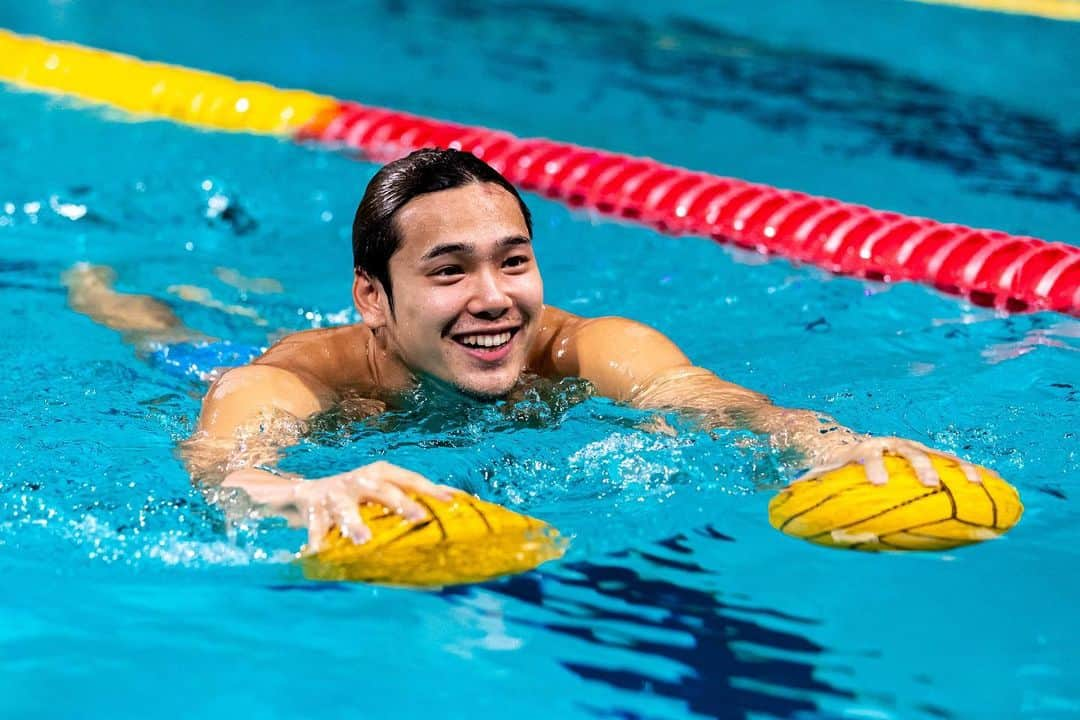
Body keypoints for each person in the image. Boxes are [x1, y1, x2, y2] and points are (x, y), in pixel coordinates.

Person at [65, 148, 980, 552]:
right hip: (222, 360)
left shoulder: (583, 348)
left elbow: (713, 401)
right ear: (373, 298)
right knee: (168, 338)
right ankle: (96, 280)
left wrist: (824, 442)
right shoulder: (304, 376)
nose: (496, 298)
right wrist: (305, 489)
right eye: (450, 270)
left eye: (514, 261)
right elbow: (222, 467)